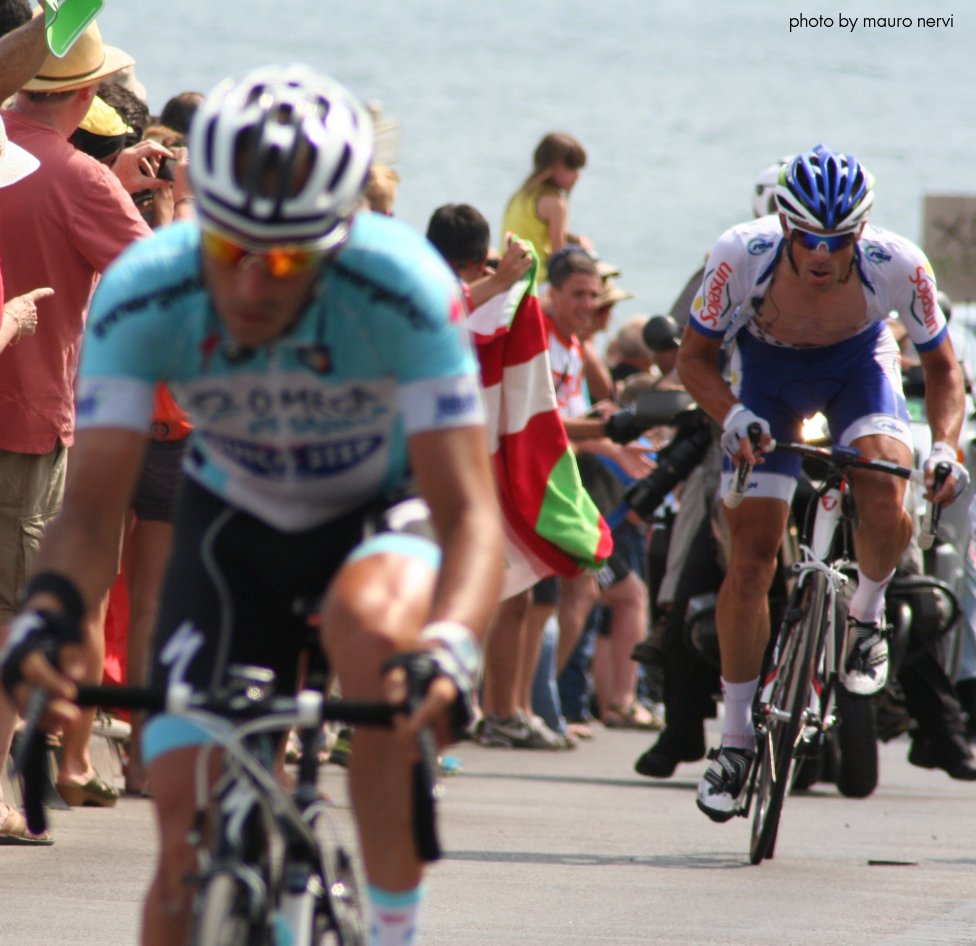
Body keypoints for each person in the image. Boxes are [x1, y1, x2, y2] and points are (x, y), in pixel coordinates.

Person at [1, 65, 502, 946]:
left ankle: (392, 924)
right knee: (182, 857)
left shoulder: (405, 290)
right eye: (228, 250)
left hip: (374, 521)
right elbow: (87, 515)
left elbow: (467, 516)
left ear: (342, 236)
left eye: (290, 259)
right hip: (230, 527)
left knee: (376, 643)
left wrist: (452, 647)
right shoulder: (150, 286)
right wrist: (45, 616)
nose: (253, 285)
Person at [678, 144, 969, 822]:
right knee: (749, 560)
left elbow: (945, 372)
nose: (820, 254)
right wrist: (735, 414)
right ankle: (736, 740)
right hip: (768, 382)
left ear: (859, 234)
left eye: (836, 241)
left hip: (858, 369)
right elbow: (693, 360)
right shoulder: (737, 254)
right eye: (807, 237)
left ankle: (866, 616)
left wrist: (948, 449)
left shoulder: (898, 265)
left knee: (884, 488)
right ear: (783, 225)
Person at [0, 19, 151, 816]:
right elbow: (159, 284)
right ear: (87, 96)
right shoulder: (81, 182)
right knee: (18, 611)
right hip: (24, 420)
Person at [501, 132, 588, 285]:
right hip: (535, 278)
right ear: (554, 167)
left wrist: (572, 239)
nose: (577, 175)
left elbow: (533, 230)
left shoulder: (523, 193)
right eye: (572, 167)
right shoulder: (554, 203)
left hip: (509, 274)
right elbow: (559, 257)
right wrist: (583, 251)